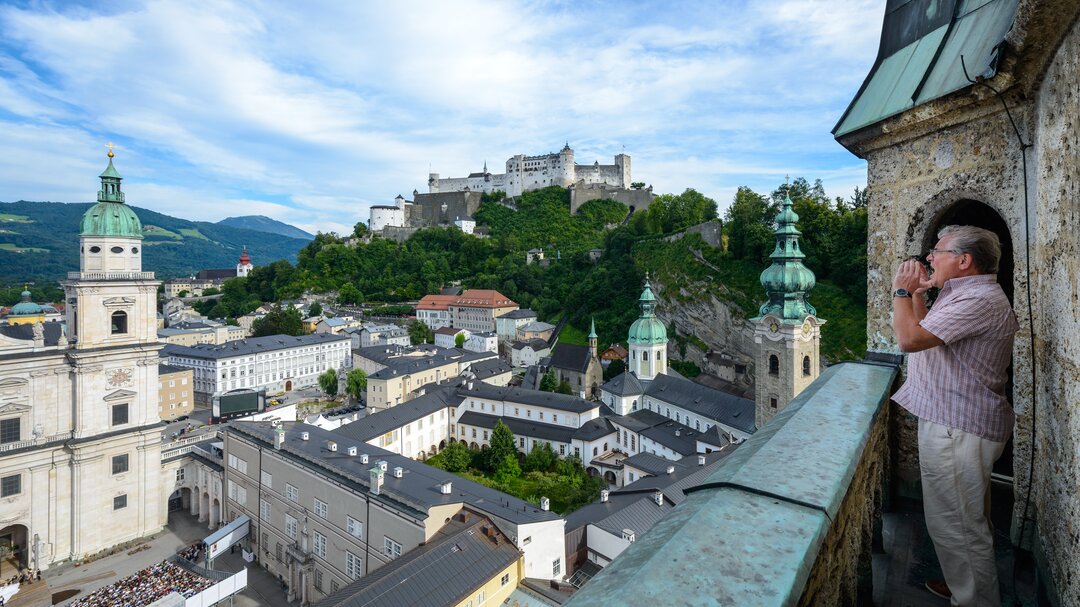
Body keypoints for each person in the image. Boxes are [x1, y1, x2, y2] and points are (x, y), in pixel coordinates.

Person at [891, 225, 1018, 606]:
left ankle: (976, 598)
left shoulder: (978, 300)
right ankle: (966, 583)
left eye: (938, 251)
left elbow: (909, 340)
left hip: (957, 428)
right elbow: (924, 327)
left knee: (957, 526)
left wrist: (899, 290)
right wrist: (915, 294)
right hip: (956, 423)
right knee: (964, 518)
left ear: (964, 261)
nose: (929, 257)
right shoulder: (962, 293)